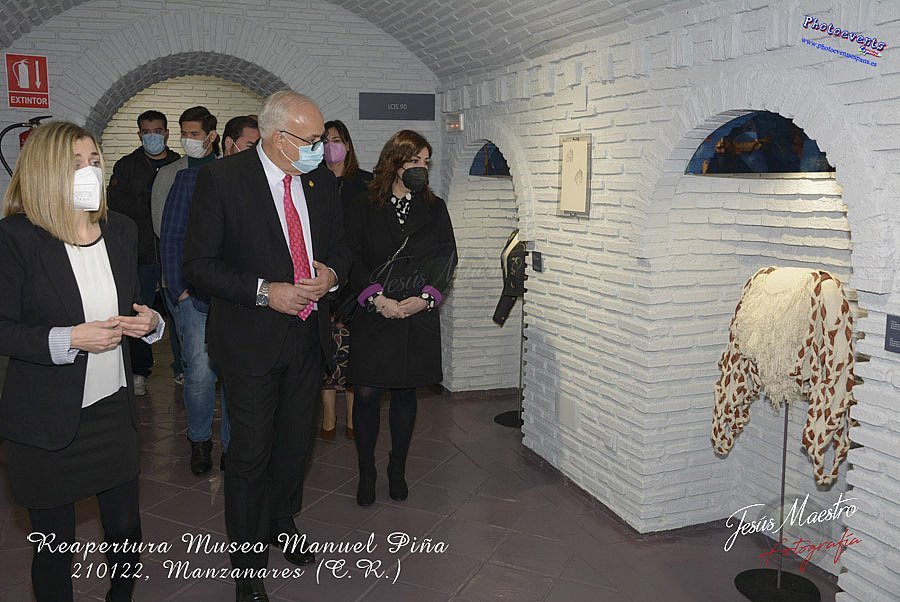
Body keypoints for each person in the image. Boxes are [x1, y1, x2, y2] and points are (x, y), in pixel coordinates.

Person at [183, 91, 351, 602]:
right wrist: (265, 292)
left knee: (295, 445)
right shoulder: (223, 179)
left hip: (307, 338)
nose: (321, 149)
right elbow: (199, 266)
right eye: (313, 140)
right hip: (250, 341)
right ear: (280, 139)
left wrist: (332, 275)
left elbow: (341, 247)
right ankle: (248, 563)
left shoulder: (319, 183)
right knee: (251, 454)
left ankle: (282, 520)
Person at [0, 121, 164, 602]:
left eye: (94, 161)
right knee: (54, 547)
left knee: (126, 530)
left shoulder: (121, 231)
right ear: (45, 171)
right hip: (46, 417)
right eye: (75, 164)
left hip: (112, 411)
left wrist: (151, 323)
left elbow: (131, 308)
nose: (89, 171)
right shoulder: (16, 237)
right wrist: (68, 338)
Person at [344, 129, 457, 506]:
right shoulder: (362, 205)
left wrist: (425, 298)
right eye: (414, 161)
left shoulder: (435, 207)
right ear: (394, 162)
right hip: (374, 311)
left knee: (406, 393)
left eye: (426, 162)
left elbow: (447, 256)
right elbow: (351, 255)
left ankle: (397, 469)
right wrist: (376, 297)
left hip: (415, 314)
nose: (421, 168)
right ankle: (366, 471)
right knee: (366, 394)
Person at [160, 109, 232, 476]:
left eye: (194, 133)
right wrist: (179, 291)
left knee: (234, 376)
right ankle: (200, 440)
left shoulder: (239, 178)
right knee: (201, 375)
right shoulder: (187, 179)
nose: (188, 140)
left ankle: (233, 446)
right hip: (196, 297)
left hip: (235, 297)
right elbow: (171, 237)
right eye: (184, 133)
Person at [107, 109, 180, 394]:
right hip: (141, 254)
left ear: (167, 133)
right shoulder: (127, 166)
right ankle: (139, 369)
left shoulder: (178, 164)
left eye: (157, 131)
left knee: (179, 313)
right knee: (139, 311)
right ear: (139, 134)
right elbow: (116, 205)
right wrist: (152, 200)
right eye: (147, 132)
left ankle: (183, 367)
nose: (153, 137)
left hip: (174, 254)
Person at [319, 119, 372, 440]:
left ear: (348, 145)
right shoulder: (310, 180)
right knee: (325, 349)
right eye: (324, 141)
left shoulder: (366, 184)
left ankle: (353, 417)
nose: (331, 147)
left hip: (357, 280)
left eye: (336, 140)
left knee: (354, 352)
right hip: (320, 277)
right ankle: (328, 417)